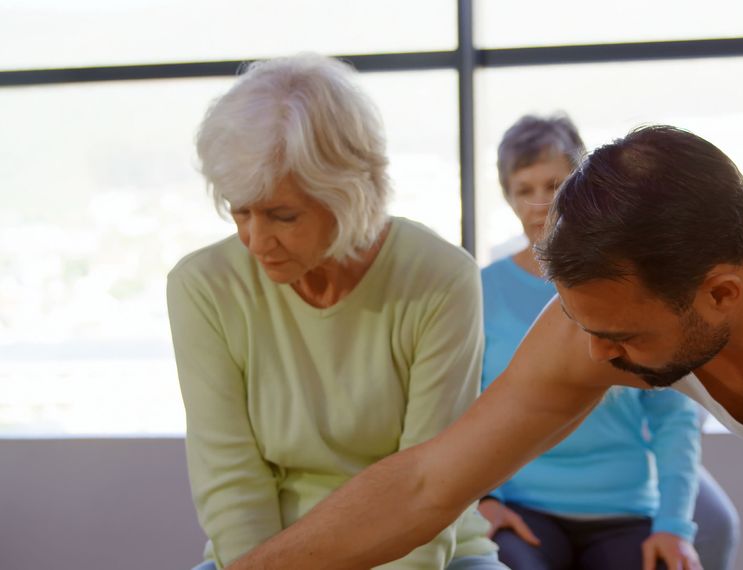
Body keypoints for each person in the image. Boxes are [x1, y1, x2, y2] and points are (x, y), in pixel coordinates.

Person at [226, 125, 743, 570]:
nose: (595, 353)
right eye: (585, 326)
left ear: (721, 294)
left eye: (620, 335)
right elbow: (427, 481)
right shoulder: (619, 299)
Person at [166, 54, 504, 569]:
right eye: (240, 210)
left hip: (434, 550)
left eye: (283, 215)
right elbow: (231, 483)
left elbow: (431, 484)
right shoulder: (203, 287)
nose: (256, 240)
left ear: (349, 193)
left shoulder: (441, 279)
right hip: (266, 556)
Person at [480, 115, 739, 570]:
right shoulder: (482, 292)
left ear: (579, 189)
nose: (540, 203)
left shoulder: (625, 287)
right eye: (524, 190)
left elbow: (673, 417)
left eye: (554, 184)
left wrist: (674, 527)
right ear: (508, 196)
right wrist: (484, 498)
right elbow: (466, 406)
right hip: (523, 507)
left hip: (625, 510)